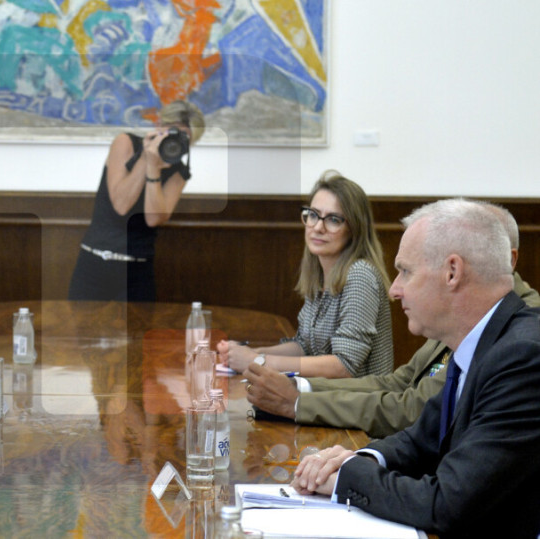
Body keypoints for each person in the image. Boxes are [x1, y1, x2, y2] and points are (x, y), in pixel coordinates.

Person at [292, 198, 540, 537]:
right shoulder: (483, 340)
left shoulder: (522, 357)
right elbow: (422, 438)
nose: (394, 290)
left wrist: (347, 478)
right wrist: (360, 458)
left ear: (452, 272)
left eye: (405, 271)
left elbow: (448, 504)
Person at [243, 203, 540, 438]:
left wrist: (297, 401)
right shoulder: (461, 313)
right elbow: (401, 383)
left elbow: (415, 409)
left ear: (507, 259)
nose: (395, 290)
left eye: (406, 272)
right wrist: (300, 388)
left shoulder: (517, 335)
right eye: (311, 215)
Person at [219, 171, 393, 378]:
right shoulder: (320, 273)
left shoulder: (360, 275)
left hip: (358, 398)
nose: (318, 227)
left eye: (333, 219)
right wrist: (251, 354)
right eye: (313, 215)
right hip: (326, 393)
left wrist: (258, 361)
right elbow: (304, 346)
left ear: (354, 229)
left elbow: (345, 365)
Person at [68, 101, 205, 301]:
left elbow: (153, 219)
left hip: (137, 270)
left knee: (137, 323)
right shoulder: (125, 143)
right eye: (172, 131)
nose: (175, 140)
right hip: (94, 263)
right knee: (82, 322)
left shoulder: (179, 172)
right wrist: (145, 159)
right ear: (158, 125)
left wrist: (153, 169)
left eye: (184, 138)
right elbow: (121, 205)